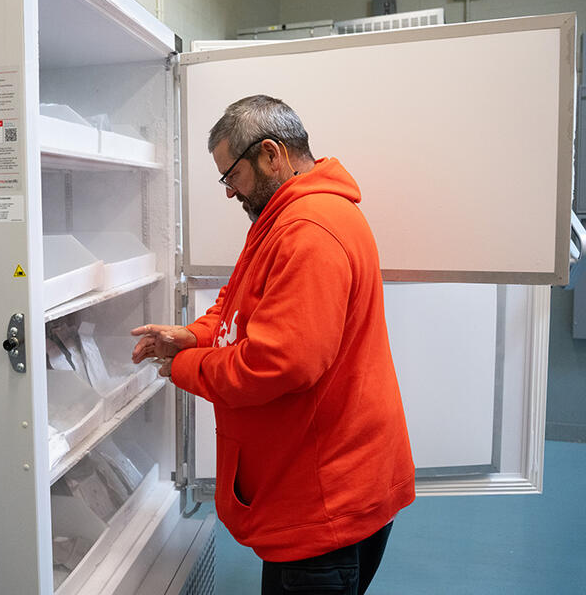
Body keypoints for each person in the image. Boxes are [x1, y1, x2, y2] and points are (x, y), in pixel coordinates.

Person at [131, 95, 415, 595]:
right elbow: (237, 301)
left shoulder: (307, 230)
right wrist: (191, 336)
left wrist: (184, 367)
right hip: (320, 482)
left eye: (231, 176)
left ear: (270, 154)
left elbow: (276, 364)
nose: (229, 192)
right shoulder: (285, 218)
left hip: (323, 502)